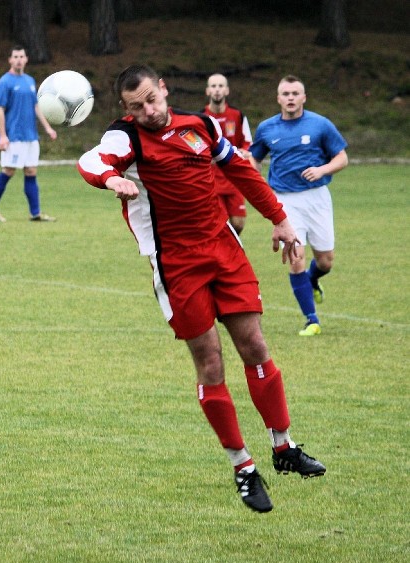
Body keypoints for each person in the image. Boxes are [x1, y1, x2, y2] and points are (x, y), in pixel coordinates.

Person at [77, 64, 326, 513]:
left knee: (255, 344)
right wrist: (111, 177)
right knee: (210, 360)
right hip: (176, 264)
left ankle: (283, 447)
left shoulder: (201, 126)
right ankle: (243, 466)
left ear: (164, 89)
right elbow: (90, 160)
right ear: (125, 109)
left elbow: (243, 172)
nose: (149, 111)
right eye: (137, 106)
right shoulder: (125, 137)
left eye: (153, 99)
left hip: (223, 250)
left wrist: (280, 218)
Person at [250, 75, 348, 337]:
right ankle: (311, 319)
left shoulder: (320, 125)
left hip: (317, 198)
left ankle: (313, 279)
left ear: (304, 97)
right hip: (285, 202)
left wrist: (322, 169)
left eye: (295, 93)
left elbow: (342, 157)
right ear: (278, 98)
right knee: (296, 259)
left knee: (325, 261)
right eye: (286, 93)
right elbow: (254, 159)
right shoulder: (267, 128)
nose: (291, 98)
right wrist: (257, 186)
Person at [0, 45, 58, 223]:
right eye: (15, 56)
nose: (18, 59)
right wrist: (2, 136)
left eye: (21, 56)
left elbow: (35, 106)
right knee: (8, 170)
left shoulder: (30, 81)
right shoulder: (5, 82)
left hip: (31, 136)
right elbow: (0, 109)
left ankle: (36, 213)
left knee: (31, 171)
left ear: (26, 59)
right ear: (10, 60)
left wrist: (47, 127)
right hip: (14, 136)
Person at [203, 73, 253, 234]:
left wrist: (245, 152)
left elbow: (247, 142)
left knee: (238, 223)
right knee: (218, 224)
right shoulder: (201, 118)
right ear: (207, 91)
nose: (217, 90)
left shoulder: (237, 115)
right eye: (213, 86)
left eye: (220, 86)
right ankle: (223, 255)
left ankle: (229, 249)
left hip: (234, 177)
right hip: (211, 179)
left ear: (227, 91)